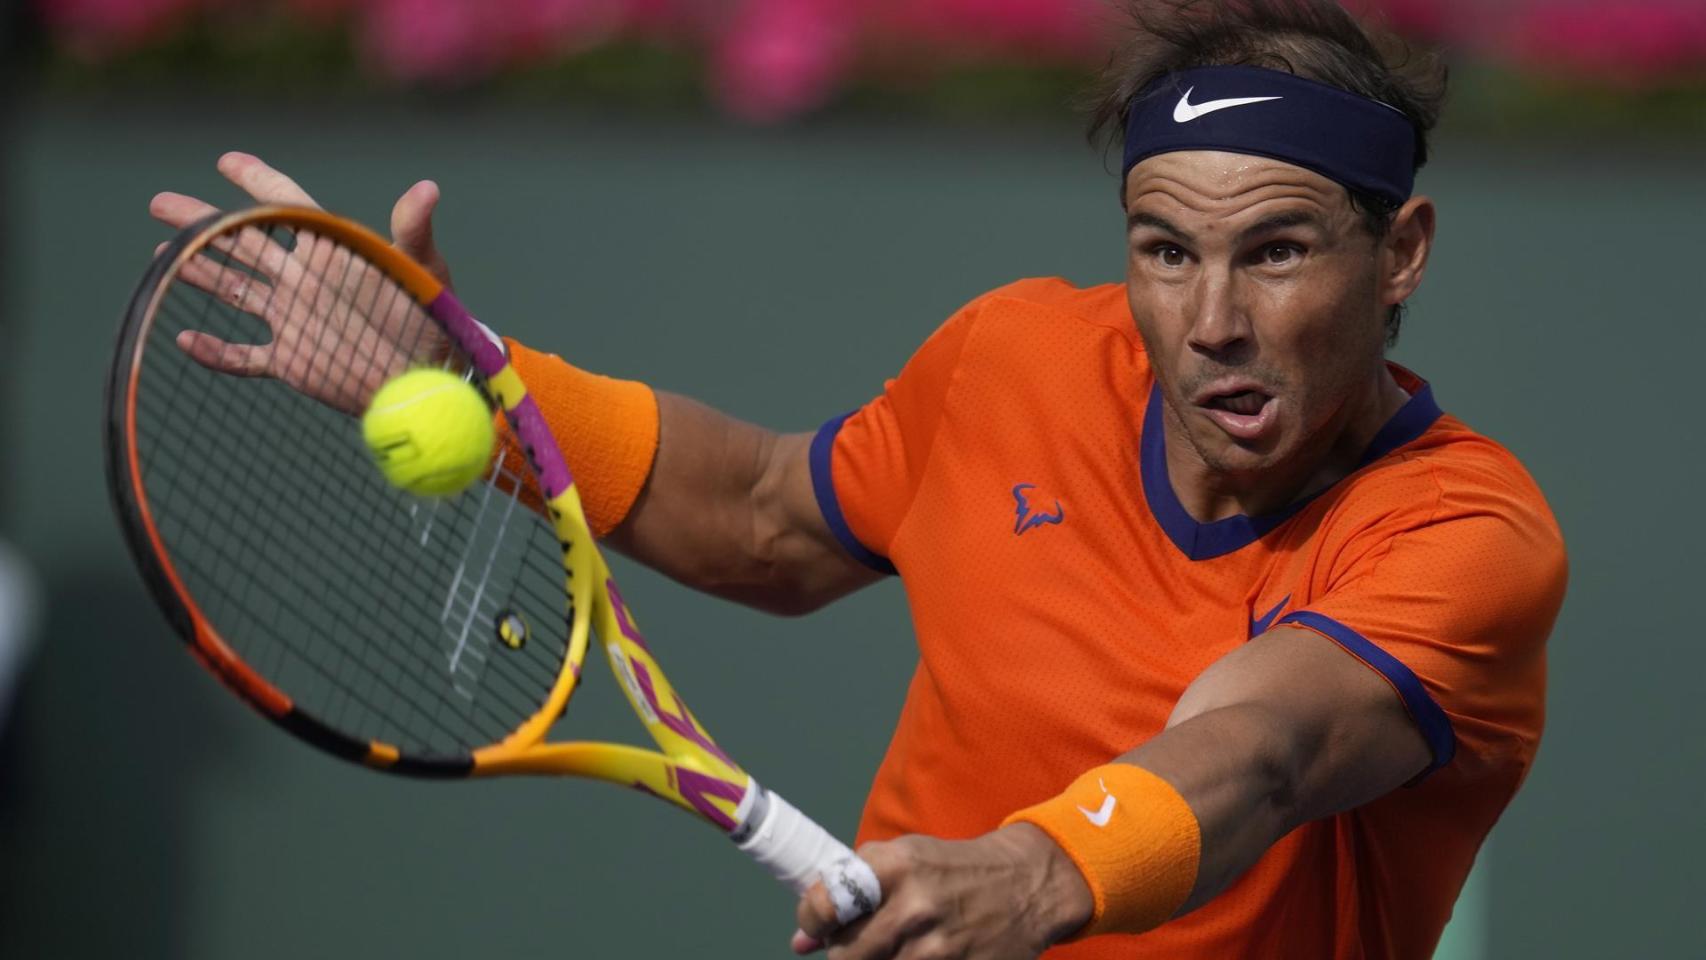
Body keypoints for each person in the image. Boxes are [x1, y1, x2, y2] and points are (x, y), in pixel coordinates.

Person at [149, 2, 1567, 956]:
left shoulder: (1467, 534)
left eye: (1273, 250)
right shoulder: (1011, 359)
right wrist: (483, 379)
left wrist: (1032, 871)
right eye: (1161, 249)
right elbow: (765, 516)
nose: (1208, 320)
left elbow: (1259, 751)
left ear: (1400, 254)